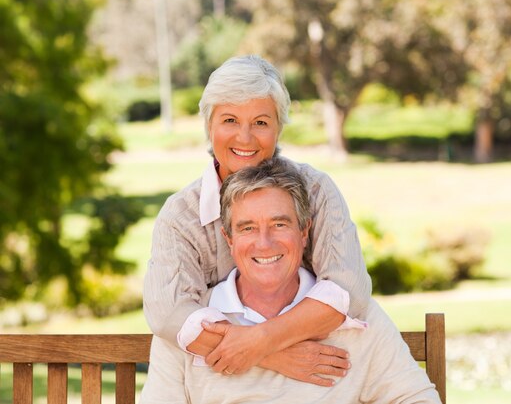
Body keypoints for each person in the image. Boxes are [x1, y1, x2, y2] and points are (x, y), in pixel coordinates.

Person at [143, 55, 372, 384]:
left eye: (261, 122)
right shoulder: (181, 215)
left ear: (278, 127)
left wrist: (260, 341)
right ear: (210, 126)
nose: (245, 138)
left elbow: (349, 291)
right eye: (230, 121)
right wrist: (271, 355)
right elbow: (169, 314)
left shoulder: (318, 191)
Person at [140, 158, 442, 404]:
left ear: (304, 231)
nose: (264, 243)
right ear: (228, 240)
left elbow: (418, 399)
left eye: (279, 224)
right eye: (247, 229)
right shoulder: (192, 328)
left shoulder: (357, 323)